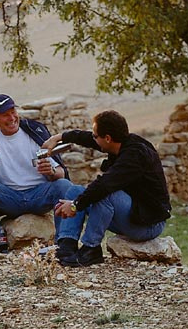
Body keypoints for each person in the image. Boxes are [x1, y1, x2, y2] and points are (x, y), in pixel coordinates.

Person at [45, 109, 172, 268]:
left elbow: (105, 185)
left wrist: (75, 205)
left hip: (147, 224)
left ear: (107, 138)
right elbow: (86, 138)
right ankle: (66, 246)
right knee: (74, 191)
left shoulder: (136, 154)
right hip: (130, 215)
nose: (93, 138)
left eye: (95, 136)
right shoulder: (116, 143)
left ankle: (91, 249)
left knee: (106, 194)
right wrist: (57, 138)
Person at [0, 94, 84, 257]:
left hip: (39, 195)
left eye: (13, 112)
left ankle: (63, 242)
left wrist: (50, 171)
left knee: (65, 186)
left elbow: (61, 173)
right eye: (5, 115)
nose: (12, 118)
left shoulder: (34, 134)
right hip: (9, 198)